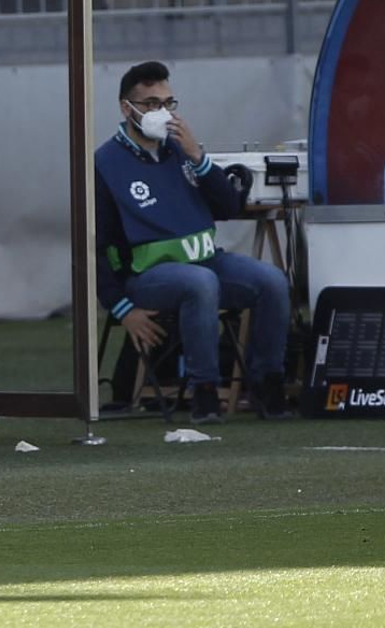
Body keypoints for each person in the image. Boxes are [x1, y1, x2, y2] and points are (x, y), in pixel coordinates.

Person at [96, 60, 292, 424]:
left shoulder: (179, 152)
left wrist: (199, 159)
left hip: (205, 262)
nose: (163, 113)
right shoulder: (105, 163)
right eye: (152, 104)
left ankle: (268, 383)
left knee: (272, 281)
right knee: (200, 284)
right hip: (148, 276)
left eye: (169, 103)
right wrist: (123, 309)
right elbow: (95, 246)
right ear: (127, 108)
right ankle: (204, 392)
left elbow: (228, 206)